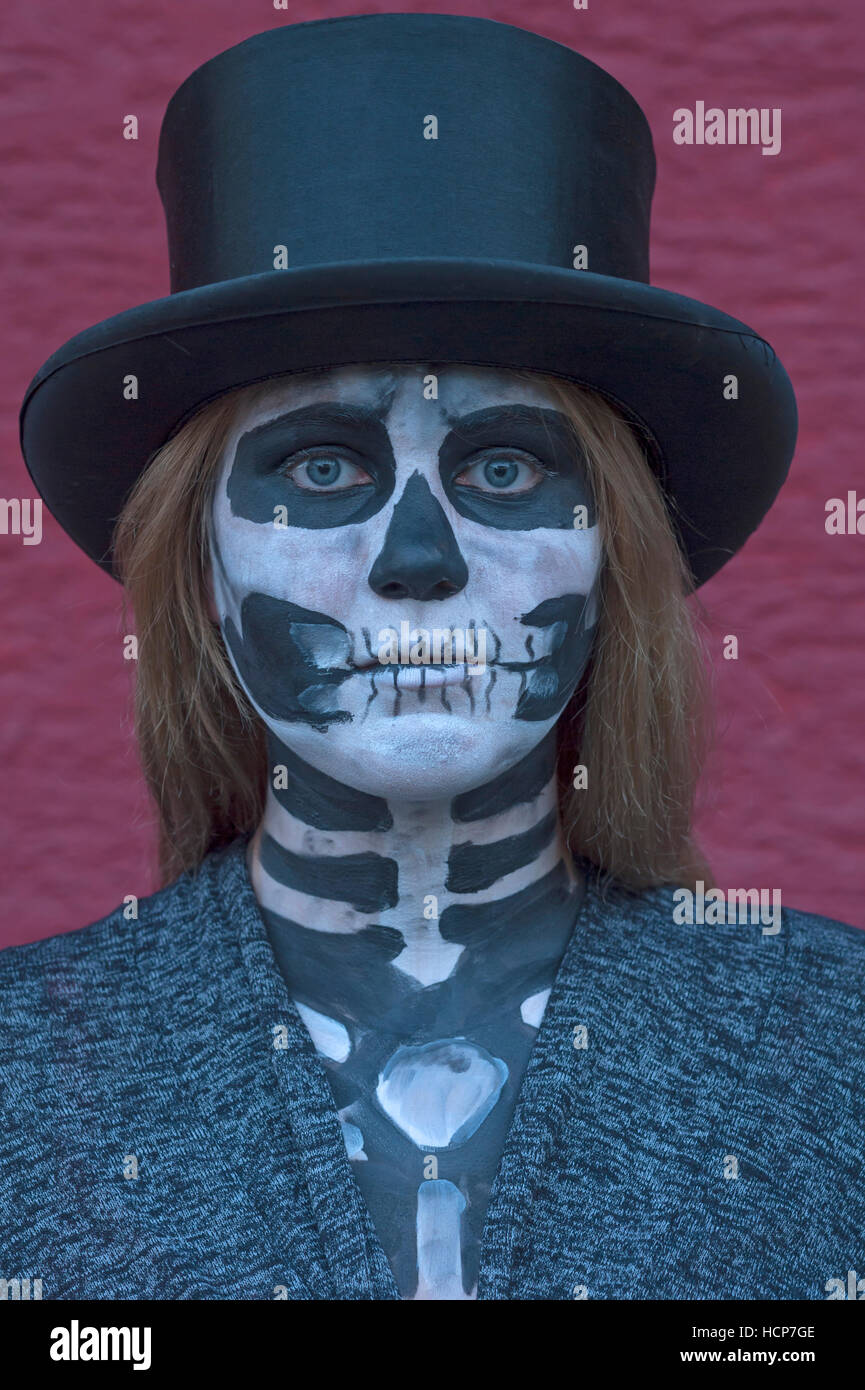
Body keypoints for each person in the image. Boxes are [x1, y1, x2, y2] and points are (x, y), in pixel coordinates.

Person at [2, 14, 862, 1302]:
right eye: (324, 465)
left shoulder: (834, 1049)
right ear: (203, 564)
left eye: (505, 467)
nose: (422, 557)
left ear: (610, 554)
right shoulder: (27, 1072)